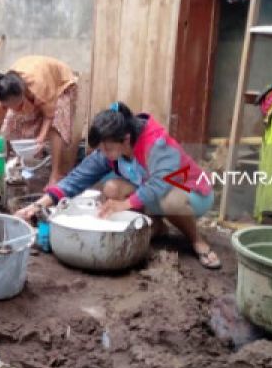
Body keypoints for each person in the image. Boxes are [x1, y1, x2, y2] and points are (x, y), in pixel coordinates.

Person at [17, 102, 221, 269]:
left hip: (192, 193)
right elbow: (76, 179)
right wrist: (38, 205)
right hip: (150, 188)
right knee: (112, 189)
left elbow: (161, 183)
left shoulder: (156, 143)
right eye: (101, 149)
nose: (103, 154)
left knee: (168, 199)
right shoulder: (111, 146)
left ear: (126, 139)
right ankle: (157, 226)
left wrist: (124, 205)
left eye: (107, 149)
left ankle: (197, 240)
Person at [0, 56, 78, 185]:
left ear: (23, 93)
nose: (17, 109)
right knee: (10, 120)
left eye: (19, 105)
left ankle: (55, 174)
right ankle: (7, 166)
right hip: (32, 88)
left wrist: (41, 138)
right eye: (9, 106)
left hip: (61, 83)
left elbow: (49, 115)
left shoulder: (39, 86)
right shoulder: (2, 94)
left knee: (57, 122)